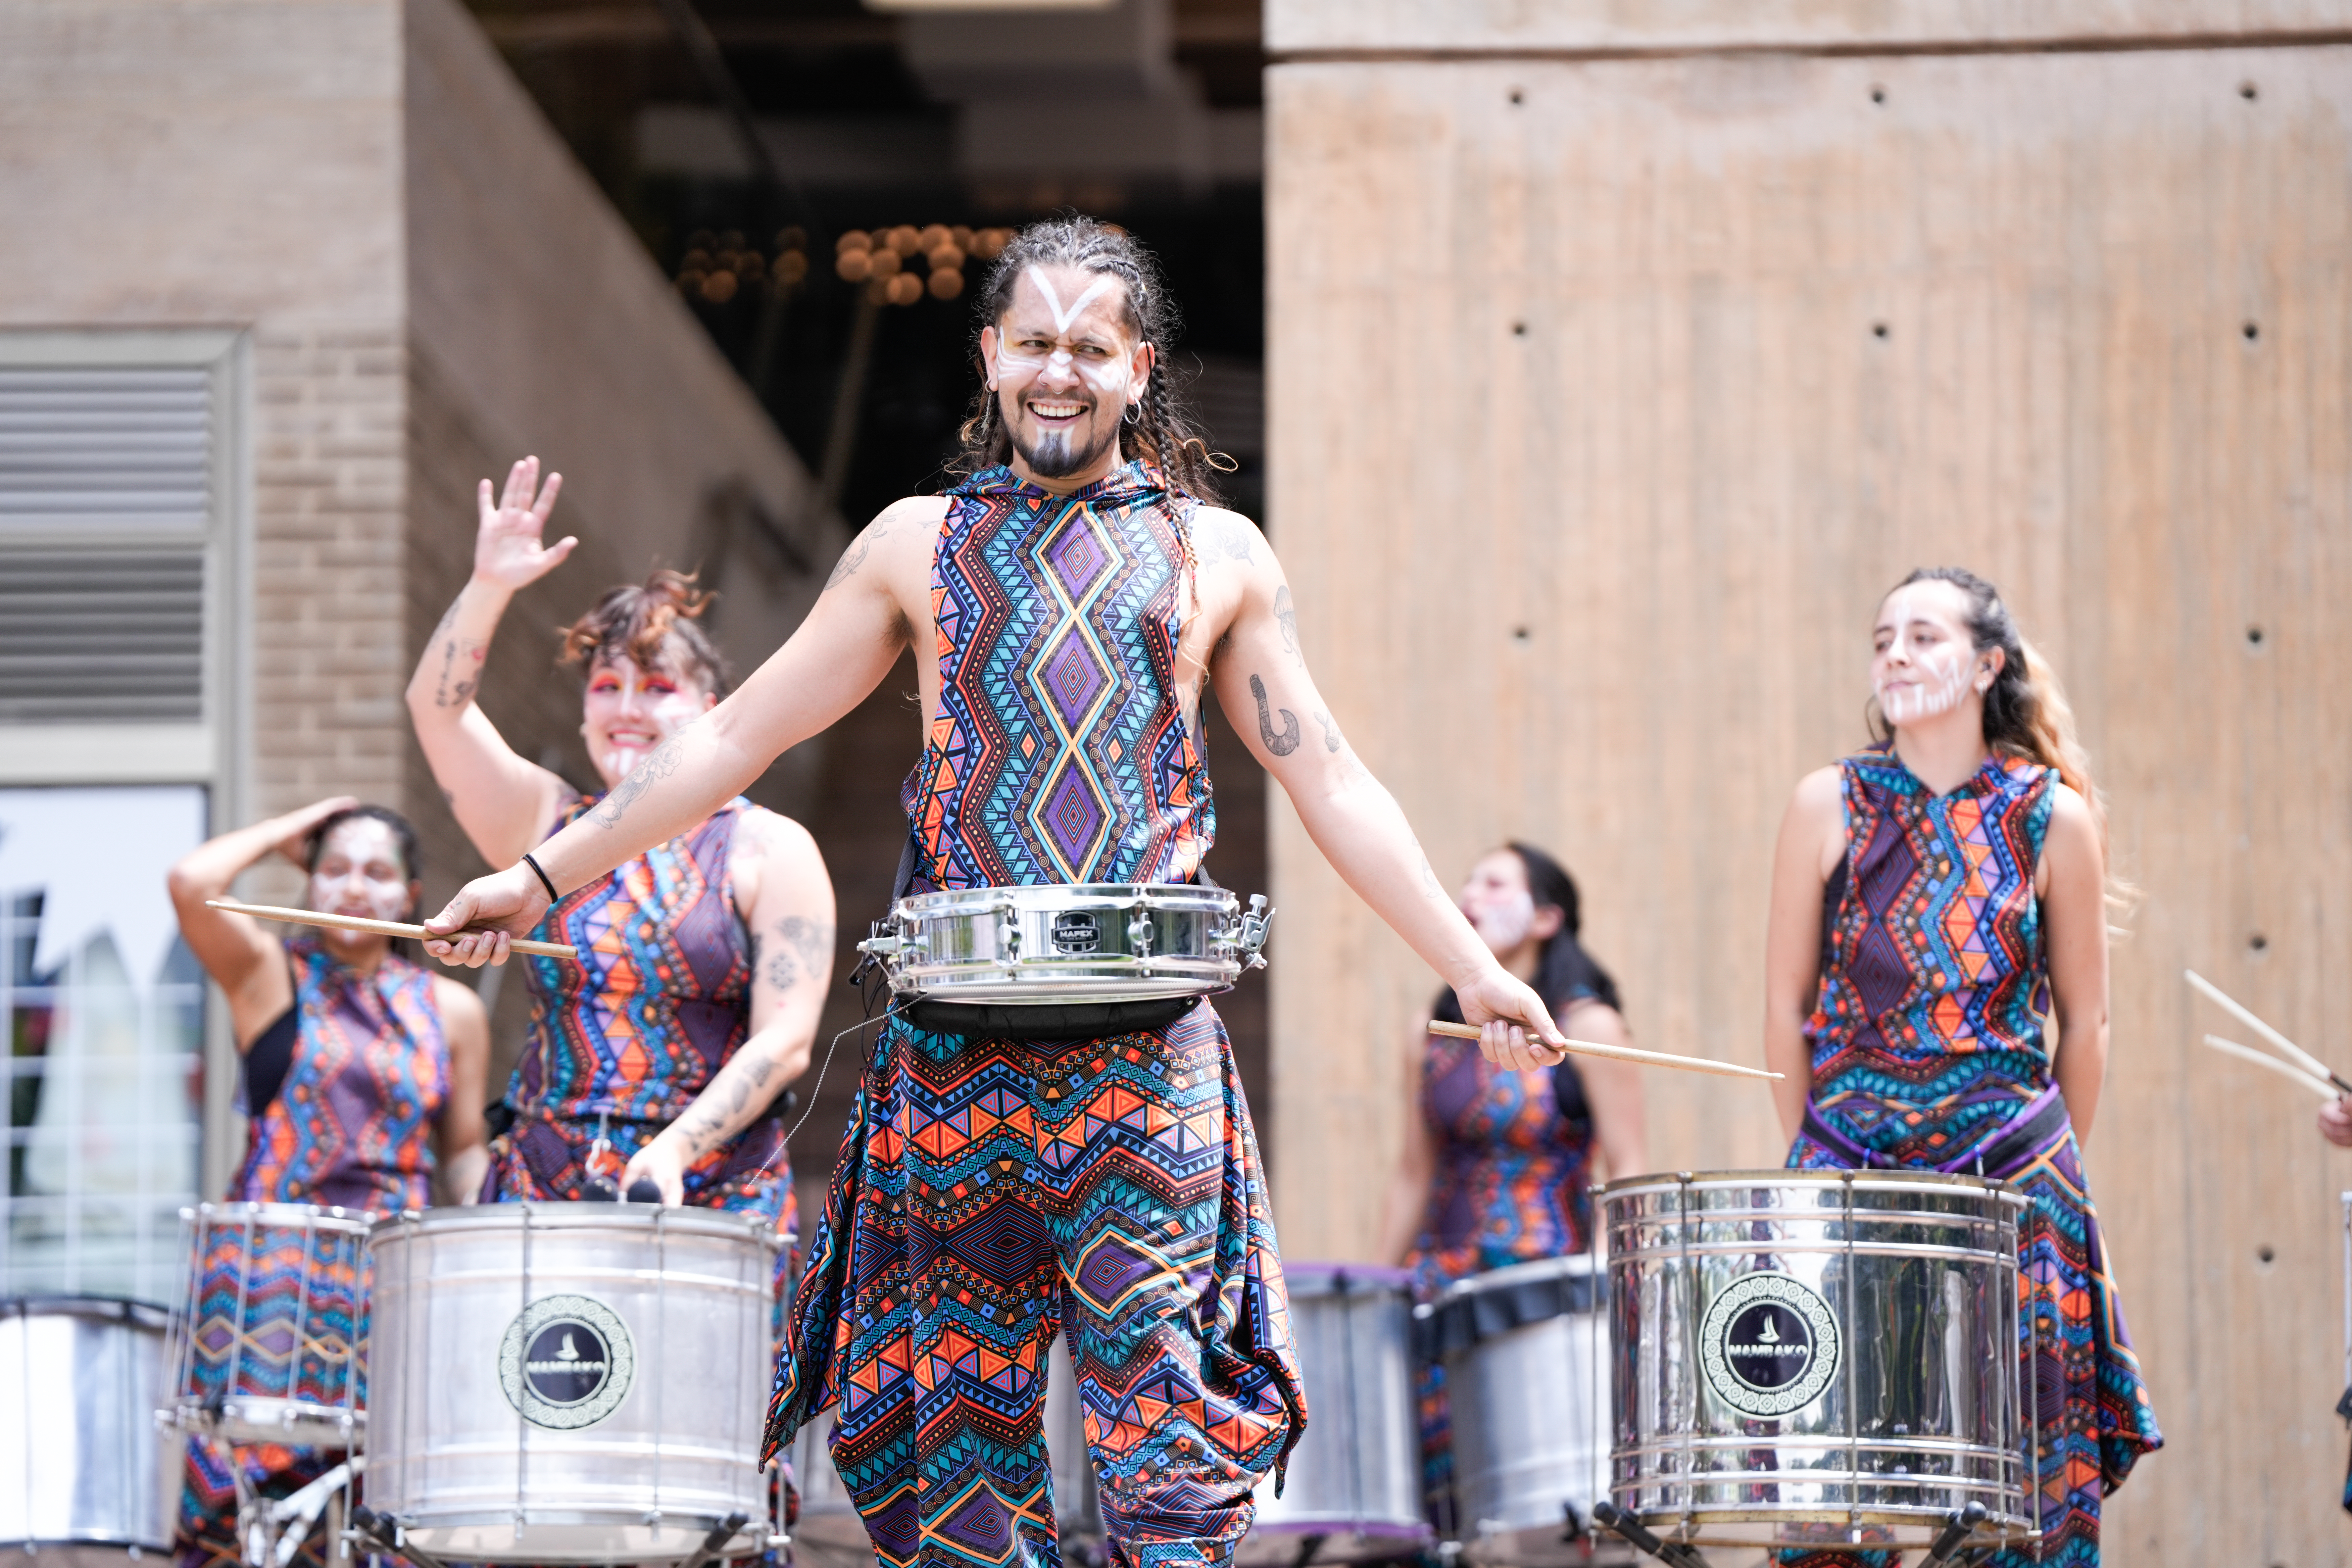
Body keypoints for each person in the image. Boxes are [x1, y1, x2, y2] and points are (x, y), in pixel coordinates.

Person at [420, 216, 1577, 1568]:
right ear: (989, 356)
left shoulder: (1221, 555)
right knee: (959, 1452)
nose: (1059, 372)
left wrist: (1477, 967)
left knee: (1169, 1463)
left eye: (1092, 346)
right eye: (1032, 342)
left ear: (1140, 367)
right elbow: (733, 740)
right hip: (952, 1067)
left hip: (1147, 1067)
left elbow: (1333, 783)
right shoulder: (913, 545)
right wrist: (539, 872)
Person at [1760, 568, 2161, 1568]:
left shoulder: (2052, 815)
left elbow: (2090, 1020)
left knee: (2015, 1479)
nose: (1896, 653)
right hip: (1849, 1167)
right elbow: (1782, 1008)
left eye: (1924, 637)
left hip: (2016, 1181)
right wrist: (1818, 1165)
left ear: (1987, 665)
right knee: (1838, 1483)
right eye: (1883, 637)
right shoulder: (1828, 803)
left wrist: (2042, 1179)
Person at [405, 503, 834, 1238]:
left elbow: (785, 1040)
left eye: (658, 688)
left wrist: (673, 1150)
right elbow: (436, 709)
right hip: (544, 1179)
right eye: (606, 685)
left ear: (713, 713)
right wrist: (487, 583)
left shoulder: (769, 844)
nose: (627, 708)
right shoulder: (542, 819)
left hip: (707, 1184)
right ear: (581, 712)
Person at [165, 796, 490, 1568]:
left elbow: (466, 1147)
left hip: (393, 1280)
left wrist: (492, 1234)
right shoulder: (266, 972)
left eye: (378, 873)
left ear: (412, 896)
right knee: (252, 1520)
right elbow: (190, 879)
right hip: (266, 1281)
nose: (353, 887)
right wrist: (295, 827)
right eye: (334, 869)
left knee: (381, 1515)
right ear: (307, 881)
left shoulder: (451, 1008)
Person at [1377, 842, 1647, 1531]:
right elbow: (1414, 1171)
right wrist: (1378, 1285)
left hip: (1543, 1284)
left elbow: (1629, 1167)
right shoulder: (1432, 1029)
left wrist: (1625, 1295)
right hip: (1442, 1277)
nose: (1472, 892)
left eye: (1496, 882)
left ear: (1548, 917)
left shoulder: (1589, 1027)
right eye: (1468, 880)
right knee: (1433, 1493)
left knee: (1537, 1505)